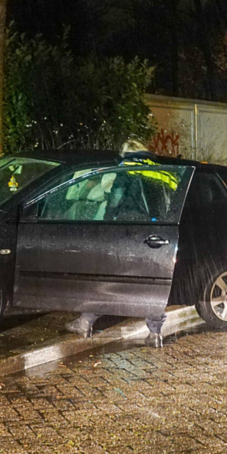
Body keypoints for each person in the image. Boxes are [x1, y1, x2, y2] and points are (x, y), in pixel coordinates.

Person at [66, 138, 170, 347]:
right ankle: (155, 333)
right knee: (150, 283)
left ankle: (86, 321)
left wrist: (107, 224)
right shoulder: (161, 171)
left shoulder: (126, 170)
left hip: (126, 231)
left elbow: (115, 200)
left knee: (107, 277)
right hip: (154, 234)